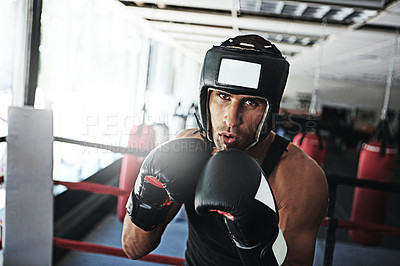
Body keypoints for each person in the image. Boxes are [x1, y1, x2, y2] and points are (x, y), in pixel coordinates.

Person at [122, 35, 328, 266]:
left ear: (270, 110)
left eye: (251, 103)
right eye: (223, 96)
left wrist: (256, 238)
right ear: (206, 99)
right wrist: (148, 195)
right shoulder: (187, 148)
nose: (231, 119)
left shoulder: (300, 178)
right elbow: (133, 248)